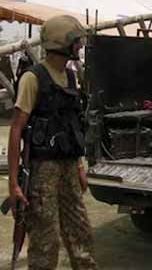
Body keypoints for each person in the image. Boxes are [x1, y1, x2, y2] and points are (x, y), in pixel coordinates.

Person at [7, 15, 99, 269]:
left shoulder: (70, 77)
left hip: (68, 165)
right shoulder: (32, 79)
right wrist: (13, 183)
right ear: (61, 43)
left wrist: (79, 166)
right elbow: (16, 131)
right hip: (42, 170)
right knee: (46, 242)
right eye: (76, 41)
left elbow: (71, 126)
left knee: (81, 234)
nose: (79, 46)